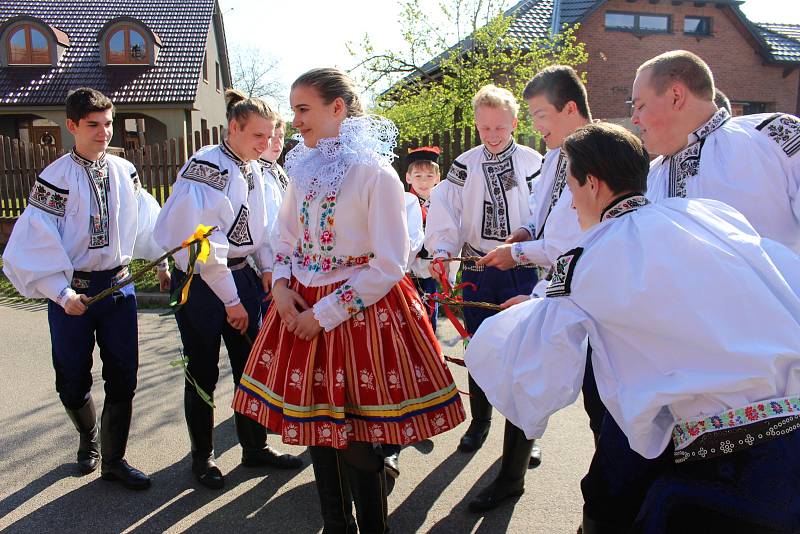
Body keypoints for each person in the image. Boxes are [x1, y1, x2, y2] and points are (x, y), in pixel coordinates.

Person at [465, 122, 800, 533]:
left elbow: (538, 371)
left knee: (610, 494)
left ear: (591, 184)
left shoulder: (586, 256)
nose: (570, 205)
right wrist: (540, 302)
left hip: (714, 453)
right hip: (792, 416)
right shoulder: (704, 213)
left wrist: (519, 316)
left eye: (569, 188)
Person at [232, 68, 465, 533]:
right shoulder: (304, 167)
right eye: (294, 110)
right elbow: (285, 238)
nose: (295, 121)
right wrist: (280, 286)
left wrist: (324, 314)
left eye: (303, 109)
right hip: (299, 306)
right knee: (317, 430)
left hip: (361, 312)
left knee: (360, 437)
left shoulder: (375, 174)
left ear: (337, 108)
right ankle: (336, 524)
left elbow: (389, 263)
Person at [3, 87, 168, 490]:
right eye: (93, 125)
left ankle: (114, 460)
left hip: (117, 288)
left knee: (123, 377)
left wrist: (162, 261)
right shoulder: (54, 179)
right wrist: (61, 295)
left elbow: (146, 219)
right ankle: (88, 435)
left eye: (108, 123)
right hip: (72, 292)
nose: (104, 132)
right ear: (72, 126)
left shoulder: (125, 170)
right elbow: (37, 239)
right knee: (72, 380)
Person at [154, 89, 302, 490]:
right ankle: (202, 458)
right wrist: (233, 302)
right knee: (201, 370)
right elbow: (204, 245)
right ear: (233, 128)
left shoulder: (252, 167)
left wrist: (269, 269)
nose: (265, 143)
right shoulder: (206, 169)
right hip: (203, 285)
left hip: (243, 276)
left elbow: (266, 227)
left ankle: (254, 448)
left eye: (270, 135)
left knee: (250, 370)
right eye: (257, 135)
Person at [425, 84, 543, 512]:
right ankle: (480, 422)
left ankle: (523, 435)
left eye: (500, 125)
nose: (492, 133)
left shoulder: (535, 163)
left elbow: (544, 214)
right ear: (476, 123)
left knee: (524, 353)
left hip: (519, 266)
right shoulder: (463, 164)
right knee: (477, 347)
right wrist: (441, 250)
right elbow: (447, 211)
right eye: (484, 126)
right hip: (477, 266)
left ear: (515, 123)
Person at [477, 67, 603, 443]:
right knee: (527, 374)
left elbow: (569, 241)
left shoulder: (597, 154)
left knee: (600, 401)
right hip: (556, 284)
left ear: (569, 108)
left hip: (586, 292)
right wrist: (525, 232)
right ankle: (512, 470)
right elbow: (542, 213)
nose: (536, 127)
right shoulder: (554, 156)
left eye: (540, 116)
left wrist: (515, 253)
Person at [631, 50, 800, 252]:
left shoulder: (776, 134)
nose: (634, 119)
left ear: (676, 96)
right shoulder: (645, 179)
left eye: (640, 106)